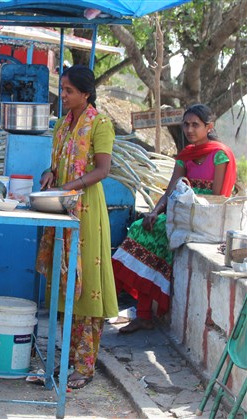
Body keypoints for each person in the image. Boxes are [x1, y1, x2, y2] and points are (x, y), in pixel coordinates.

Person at [112, 104, 237, 333]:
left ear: (209, 127)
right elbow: (170, 192)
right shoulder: (185, 156)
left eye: (195, 125)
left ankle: (143, 314)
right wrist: (155, 211)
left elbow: (218, 198)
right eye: (186, 124)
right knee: (141, 228)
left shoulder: (220, 154)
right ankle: (141, 314)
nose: (189, 130)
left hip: (205, 217)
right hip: (181, 213)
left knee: (158, 237)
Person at [36, 65, 118, 390]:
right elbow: (57, 164)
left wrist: (70, 186)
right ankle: (69, 358)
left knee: (88, 286)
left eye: (69, 90)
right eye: (63, 89)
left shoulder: (100, 123)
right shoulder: (62, 124)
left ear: (85, 93)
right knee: (66, 282)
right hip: (63, 206)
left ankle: (85, 365)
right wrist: (50, 174)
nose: (64, 95)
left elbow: (103, 170)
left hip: (87, 211)